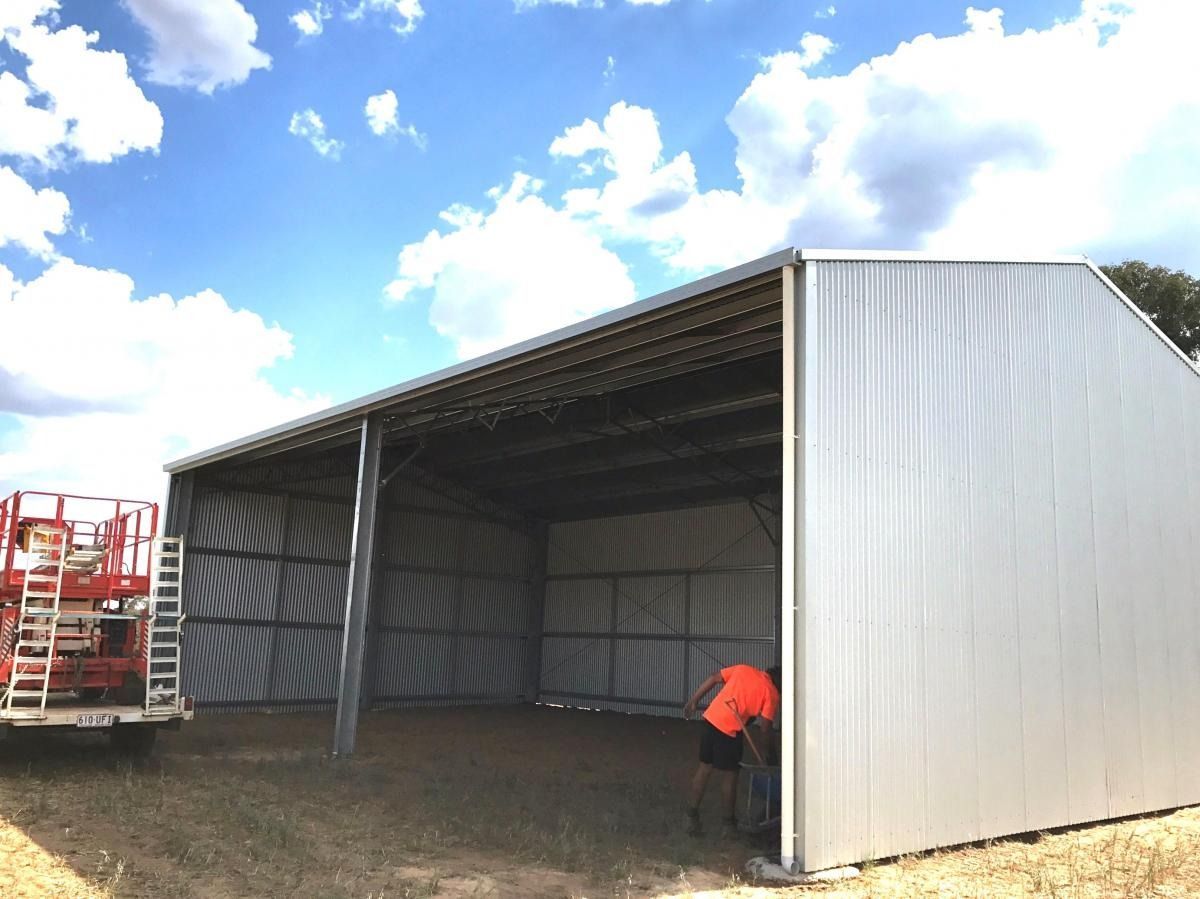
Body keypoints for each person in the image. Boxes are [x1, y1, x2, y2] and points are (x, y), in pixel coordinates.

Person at [682, 663, 781, 835]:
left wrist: (694, 700)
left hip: (710, 720)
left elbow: (714, 677)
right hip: (729, 729)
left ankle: (690, 816)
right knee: (730, 775)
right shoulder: (771, 693)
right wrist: (770, 755)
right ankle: (728, 826)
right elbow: (765, 729)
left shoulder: (744, 669)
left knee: (704, 768)